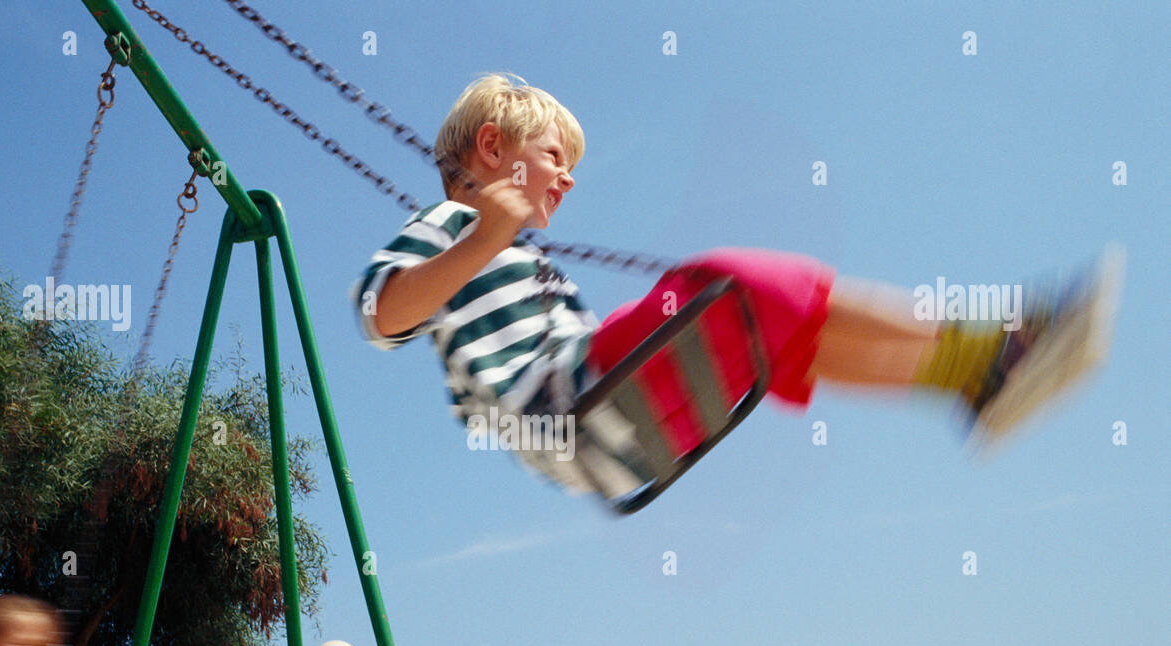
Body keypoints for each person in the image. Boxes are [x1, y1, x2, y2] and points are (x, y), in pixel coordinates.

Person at [350, 73, 1123, 499]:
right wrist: (485, 235)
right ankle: (987, 351)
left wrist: (501, 243)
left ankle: (974, 374)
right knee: (738, 282)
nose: (569, 179)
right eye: (555, 156)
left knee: (765, 331)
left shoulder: (519, 258)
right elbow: (384, 312)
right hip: (571, 411)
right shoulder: (448, 229)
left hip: (611, 434)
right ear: (493, 147)